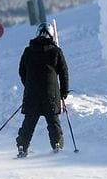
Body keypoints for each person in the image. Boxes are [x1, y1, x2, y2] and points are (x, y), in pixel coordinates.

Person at [16, 23, 70, 158]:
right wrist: (63, 92)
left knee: (29, 121)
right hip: (51, 93)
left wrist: (28, 85)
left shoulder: (28, 51)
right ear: (51, 35)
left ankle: (22, 146)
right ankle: (57, 144)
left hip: (32, 93)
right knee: (53, 120)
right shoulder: (56, 51)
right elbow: (64, 73)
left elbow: (22, 71)